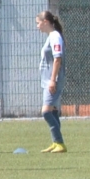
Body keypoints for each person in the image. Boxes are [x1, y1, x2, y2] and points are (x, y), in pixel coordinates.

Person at [37, 10, 65, 152]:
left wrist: (53, 80)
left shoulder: (55, 36)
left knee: (46, 112)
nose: (37, 26)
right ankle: (56, 142)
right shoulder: (51, 36)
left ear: (45, 22)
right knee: (53, 111)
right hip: (48, 80)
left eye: (38, 23)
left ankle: (59, 142)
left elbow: (57, 58)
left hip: (53, 80)